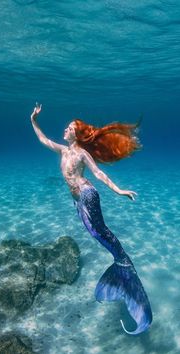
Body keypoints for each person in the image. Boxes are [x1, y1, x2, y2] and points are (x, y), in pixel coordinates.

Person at [30, 103, 152, 335]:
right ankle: (122, 266)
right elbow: (44, 140)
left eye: (69, 128)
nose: (65, 130)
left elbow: (98, 173)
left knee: (100, 232)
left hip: (88, 196)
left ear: (77, 134)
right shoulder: (64, 151)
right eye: (66, 128)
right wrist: (33, 121)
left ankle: (124, 266)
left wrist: (118, 190)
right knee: (98, 234)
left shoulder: (81, 153)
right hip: (79, 202)